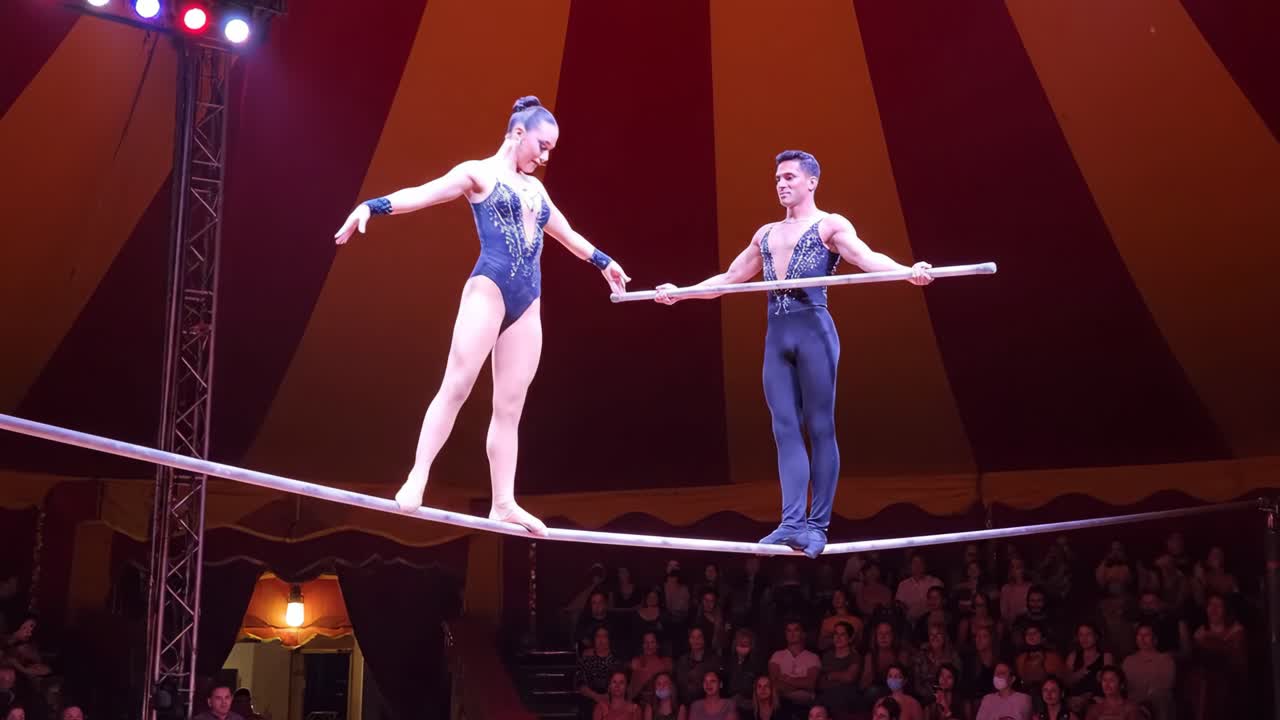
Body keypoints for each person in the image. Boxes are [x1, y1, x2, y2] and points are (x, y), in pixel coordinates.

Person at [334, 96, 631, 534]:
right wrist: (371, 207)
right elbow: (423, 193)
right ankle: (418, 476)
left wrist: (604, 262)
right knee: (456, 385)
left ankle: (503, 502)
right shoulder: (478, 173)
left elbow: (566, 234)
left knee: (509, 407)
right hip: (488, 289)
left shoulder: (537, 190)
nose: (546, 156)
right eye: (542, 145)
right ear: (517, 133)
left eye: (552, 149)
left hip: (528, 301)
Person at [655, 150, 931, 557]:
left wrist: (908, 271)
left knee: (819, 428)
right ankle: (791, 523)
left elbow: (866, 257)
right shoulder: (765, 234)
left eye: (789, 177)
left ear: (811, 181)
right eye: (777, 179)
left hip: (814, 333)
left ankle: (817, 526)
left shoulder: (829, 225)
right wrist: (681, 293)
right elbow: (730, 279)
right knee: (784, 429)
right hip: (777, 339)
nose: (782, 184)